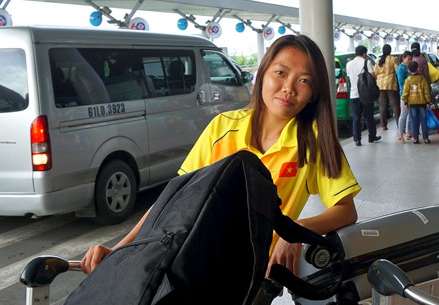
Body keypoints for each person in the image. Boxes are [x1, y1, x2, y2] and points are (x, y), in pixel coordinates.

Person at [81, 34, 360, 277]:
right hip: (192, 264)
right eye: (281, 73)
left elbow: (346, 210)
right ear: (261, 74)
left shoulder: (313, 144)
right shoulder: (222, 127)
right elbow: (173, 198)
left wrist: (297, 231)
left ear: (313, 93)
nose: (289, 87)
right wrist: (119, 249)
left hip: (251, 278)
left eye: (304, 80)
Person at [346, 45, 381, 146]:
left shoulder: (349, 64)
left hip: (354, 94)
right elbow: (372, 76)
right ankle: (372, 136)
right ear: (364, 54)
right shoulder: (367, 62)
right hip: (366, 95)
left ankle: (357, 139)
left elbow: (350, 76)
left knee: (356, 117)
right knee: (369, 116)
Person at [402, 60, 431, 144]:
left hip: (412, 104)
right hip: (422, 103)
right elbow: (426, 92)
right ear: (418, 69)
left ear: (409, 70)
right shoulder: (422, 79)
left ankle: (415, 138)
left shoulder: (408, 80)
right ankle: (425, 138)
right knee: (423, 120)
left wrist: (406, 103)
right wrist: (428, 102)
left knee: (414, 121)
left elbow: (405, 92)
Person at [374, 44, 400, 131]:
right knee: (395, 105)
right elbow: (398, 71)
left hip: (380, 85)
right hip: (391, 84)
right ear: (390, 50)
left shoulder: (378, 60)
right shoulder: (393, 59)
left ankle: (383, 125)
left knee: (382, 106)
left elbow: (375, 73)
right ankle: (399, 124)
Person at [396, 51, 413, 142]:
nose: (410, 61)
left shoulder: (408, 67)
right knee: (404, 114)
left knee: (410, 114)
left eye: (411, 59)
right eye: (408, 59)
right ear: (403, 58)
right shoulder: (400, 68)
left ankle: (408, 132)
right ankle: (400, 134)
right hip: (404, 94)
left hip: (412, 94)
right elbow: (401, 81)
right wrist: (411, 79)